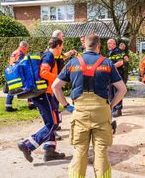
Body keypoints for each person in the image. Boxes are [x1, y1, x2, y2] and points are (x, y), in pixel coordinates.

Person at [52, 34, 127, 178]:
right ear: (98, 46)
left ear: (85, 45)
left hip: (80, 112)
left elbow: (56, 86)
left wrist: (66, 106)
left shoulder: (73, 63)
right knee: (101, 152)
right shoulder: (107, 63)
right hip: (102, 112)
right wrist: (110, 106)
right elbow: (122, 89)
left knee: (80, 151)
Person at [17, 37, 65, 163]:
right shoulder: (49, 56)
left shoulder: (47, 55)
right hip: (44, 95)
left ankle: (50, 151)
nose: (62, 50)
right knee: (53, 123)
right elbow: (44, 72)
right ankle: (27, 145)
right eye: (62, 46)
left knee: (52, 121)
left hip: (43, 94)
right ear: (58, 46)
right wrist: (60, 78)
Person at [5, 41, 35, 112]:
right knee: (28, 86)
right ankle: (31, 104)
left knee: (12, 89)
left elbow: (12, 63)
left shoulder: (15, 52)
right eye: (27, 48)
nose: (27, 50)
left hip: (11, 73)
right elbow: (20, 64)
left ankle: (8, 106)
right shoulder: (20, 53)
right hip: (18, 73)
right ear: (24, 47)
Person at [107, 38, 125, 117]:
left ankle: (118, 109)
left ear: (114, 44)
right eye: (107, 43)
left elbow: (120, 62)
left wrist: (110, 67)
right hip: (110, 75)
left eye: (109, 43)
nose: (108, 45)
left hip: (117, 75)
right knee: (110, 92)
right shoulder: (109, 53)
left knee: (117, 92)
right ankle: (112, 108)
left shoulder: (118, 51)